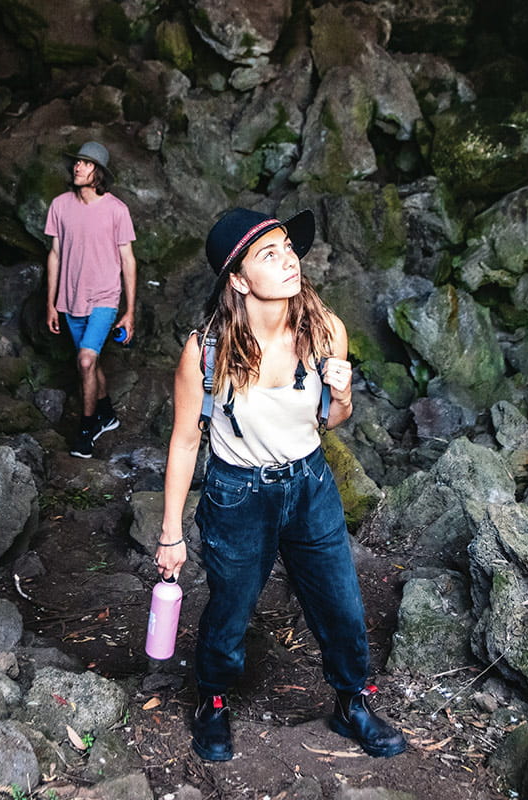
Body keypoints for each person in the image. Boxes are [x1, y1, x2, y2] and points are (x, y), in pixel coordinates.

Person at [154, 207, 407, 762]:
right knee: (230, 607)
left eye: (288, 247)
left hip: (311, 484)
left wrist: (341, 397)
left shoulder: (325, 331)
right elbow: (183, 441)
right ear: (239, 279)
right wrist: (171, 531)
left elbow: (328, 420)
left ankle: (351, 702)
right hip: (237, 494)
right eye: (269, 254)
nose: (289, 259)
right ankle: (213, 701)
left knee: (341, 602)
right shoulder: (206, 350)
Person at [43, 141, 137, 459]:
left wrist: (130, 312)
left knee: (84, 361)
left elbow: (128, 261)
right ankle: (108, 412)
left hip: (104, 298)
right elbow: (54, 255)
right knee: (91, 361)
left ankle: (87, 429)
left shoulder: (117, 211)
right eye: (77, 162)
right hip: (71, 300)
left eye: (85, 163)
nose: (77, 167)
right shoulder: (59, 206)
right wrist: (52, 303)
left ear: (98, 173)